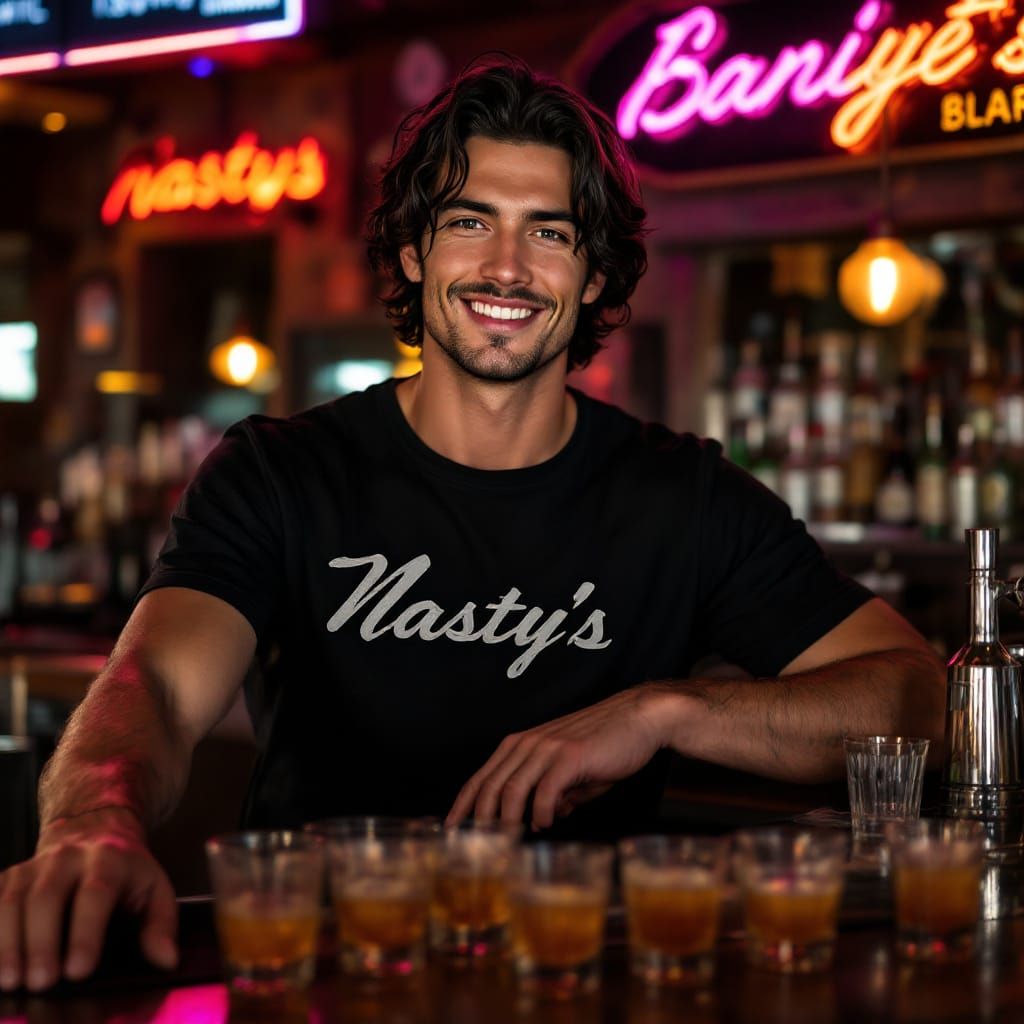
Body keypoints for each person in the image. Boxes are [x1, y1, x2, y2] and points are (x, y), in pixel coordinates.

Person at [0, 58, 944, 992]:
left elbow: (914, 698)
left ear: (595, 273)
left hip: (581, 984)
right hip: (325, 980)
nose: (505, 266)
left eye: (550, 232)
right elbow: (154, 686)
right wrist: (94, 821)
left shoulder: (684, 496)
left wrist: (665, 711)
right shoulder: (282, 472)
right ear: (414, 251)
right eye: (468, 222)